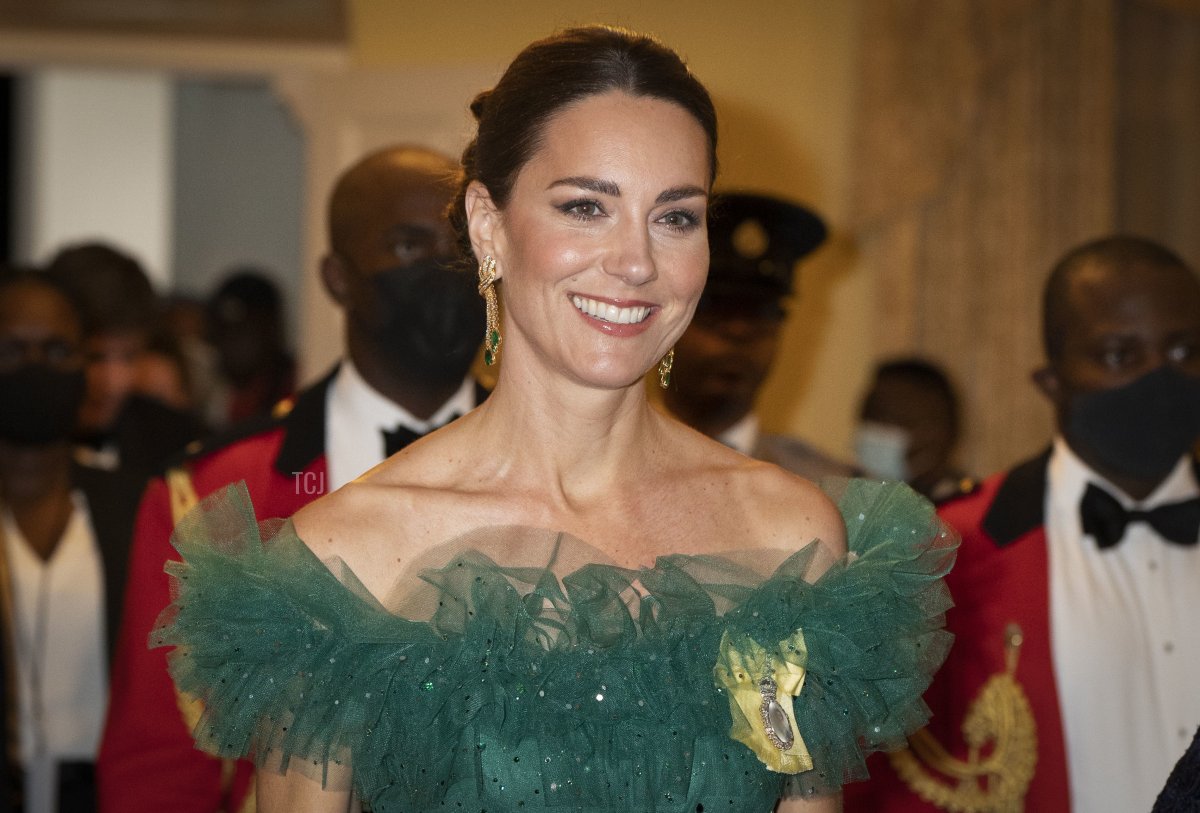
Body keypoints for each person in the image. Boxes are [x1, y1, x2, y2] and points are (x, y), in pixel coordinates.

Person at [152, 27, 957, 813]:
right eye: (585, 207)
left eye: (675, 216)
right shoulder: (342, 560)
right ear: (487, 225)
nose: (637, 262)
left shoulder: (790, 536)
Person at [96, 144, 489, 813]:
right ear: (337, 277)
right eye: (405, 245)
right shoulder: (215, 491)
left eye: (458, 245)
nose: (442, 269)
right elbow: (158, 762)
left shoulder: (565, 469)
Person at [844, 235, 1200, 812]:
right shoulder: (943, 554)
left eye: (1185, 351)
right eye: (1119, 355)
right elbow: (876, 780)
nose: (1160, 377)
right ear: (1051, 381)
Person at [0, 271, 144, 813]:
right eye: (12, 350)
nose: (35, 367)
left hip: (107, 795)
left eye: (57, 350)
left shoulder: (136, 509)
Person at [661, 191, 857, 481]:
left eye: (762, 315)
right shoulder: (597, 473)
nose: (739, 333)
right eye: (715, 310)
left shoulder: (831, 493)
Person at [44, 242, 205, 475]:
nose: (114, 382)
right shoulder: (18, 447)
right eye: (94, 357)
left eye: (129, 357)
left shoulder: (176, 440)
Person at [854, 357, 975, 501]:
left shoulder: (965, 509)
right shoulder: (859, 502)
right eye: (867, 417)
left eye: (886, 420)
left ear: (935, 433)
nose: (871, 429)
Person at [203, 269, 297, 429]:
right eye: (222, 330)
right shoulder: (207, 393)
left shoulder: (297, 393)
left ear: (271, 329)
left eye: (241, 331)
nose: (229, 342)